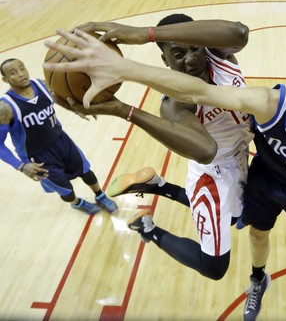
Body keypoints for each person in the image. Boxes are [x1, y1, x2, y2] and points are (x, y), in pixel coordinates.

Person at [43, 28, 286, 321]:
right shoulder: (269, 102)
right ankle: (257, 279)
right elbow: (199, 92)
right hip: (263, 177)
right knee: (255, 233)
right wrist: (126, 69)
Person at [58, 15, 254, 281]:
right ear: (166, 62)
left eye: (194, 47)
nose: (191, 59)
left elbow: (239, 32)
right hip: (213, 177)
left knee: (233, 219)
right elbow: (206, 150)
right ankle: (149, 230)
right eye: (178, 53)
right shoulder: (174, 103)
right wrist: (122, 109)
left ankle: (157, 186)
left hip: (240, 158)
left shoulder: (219, 56)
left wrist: (145, 33)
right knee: (214, 268)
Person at [0, 58, 118, 215]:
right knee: (65, 189)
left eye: (22, 68)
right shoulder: (5, 108)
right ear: (5, 79)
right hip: (38, 157)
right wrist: (21, 166)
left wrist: (76, 109)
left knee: (86, 171)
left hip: (62, 141)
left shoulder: (42, 84)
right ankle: (77, 203)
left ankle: (100, 195)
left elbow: (56, 100)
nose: (21, 74)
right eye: (13, 73)